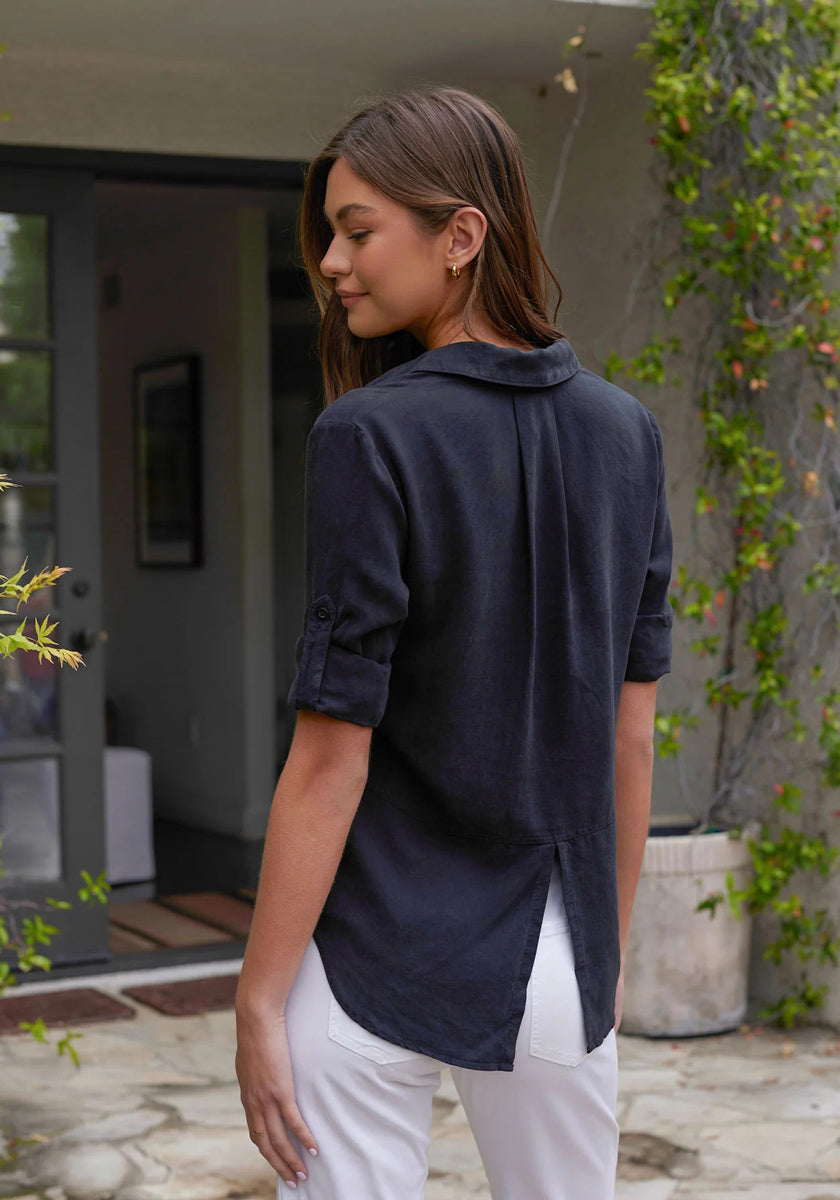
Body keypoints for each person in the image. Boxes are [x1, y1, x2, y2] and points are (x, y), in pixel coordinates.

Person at [234, 85, 673, 1200]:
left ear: (461, 235)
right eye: (330, 234)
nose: (332, 262)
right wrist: (602, 960)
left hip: (375, 957)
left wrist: (256, 998)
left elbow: (334, 754)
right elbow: (633, 738)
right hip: (559, 958)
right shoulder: (629, 435)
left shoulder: (366, 436)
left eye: (358, 229)